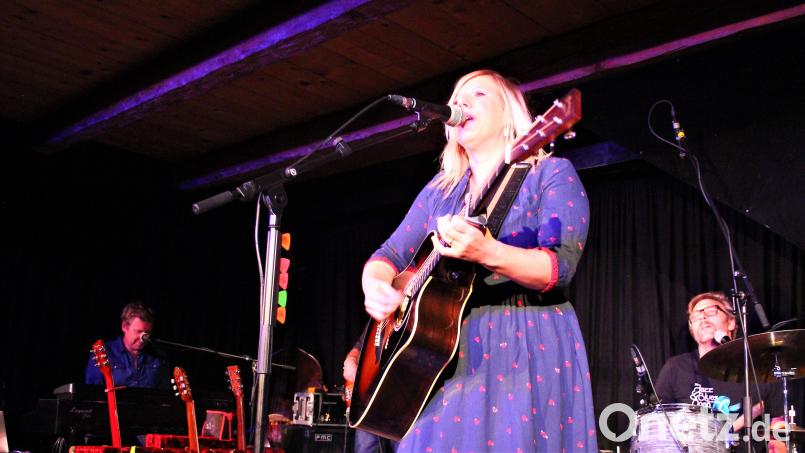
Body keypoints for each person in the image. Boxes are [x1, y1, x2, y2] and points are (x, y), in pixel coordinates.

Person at [361, 69, 596, 451]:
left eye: (479, 94)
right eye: (456, 98)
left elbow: (558, 268)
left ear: (512, 114)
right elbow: (387, 256)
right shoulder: (441, 191)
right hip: (440, 354)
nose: (460, 104)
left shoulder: (549, 173)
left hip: (522, 338)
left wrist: (488, 252)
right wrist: (376, 289)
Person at [654, 291, 786, 452]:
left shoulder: (760, 369)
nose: (702, 317)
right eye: (695, 316)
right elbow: (657, 425)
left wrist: (778, 445)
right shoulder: (675, 368)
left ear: (731, 322)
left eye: (711, 311)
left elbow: (778, 429)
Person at [85, 301, 171, 389]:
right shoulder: (104, 352)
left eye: (147, 333)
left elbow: (164, 396)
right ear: (124, 327)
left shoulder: (158, 357)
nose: (143, 338)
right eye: (138, 331)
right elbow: (92, 393)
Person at [343, 343, 396, 453]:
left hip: (403, 404)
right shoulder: (377, 325)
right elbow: (359, 346)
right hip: (368, 406)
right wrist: (351, 360)